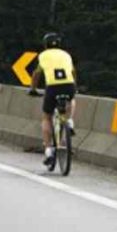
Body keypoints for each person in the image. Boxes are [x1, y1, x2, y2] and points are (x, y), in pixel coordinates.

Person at [28, 32, 77, 166]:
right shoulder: (66, 54)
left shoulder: (43, 56)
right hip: (69, 85)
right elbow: (73, 72)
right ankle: (70, 121)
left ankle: (48, 149)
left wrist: (32, 89)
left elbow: (36, 74)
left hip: (52, 87)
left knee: (47, 117)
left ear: (45, 45)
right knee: (72, 99)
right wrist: (74, 85)